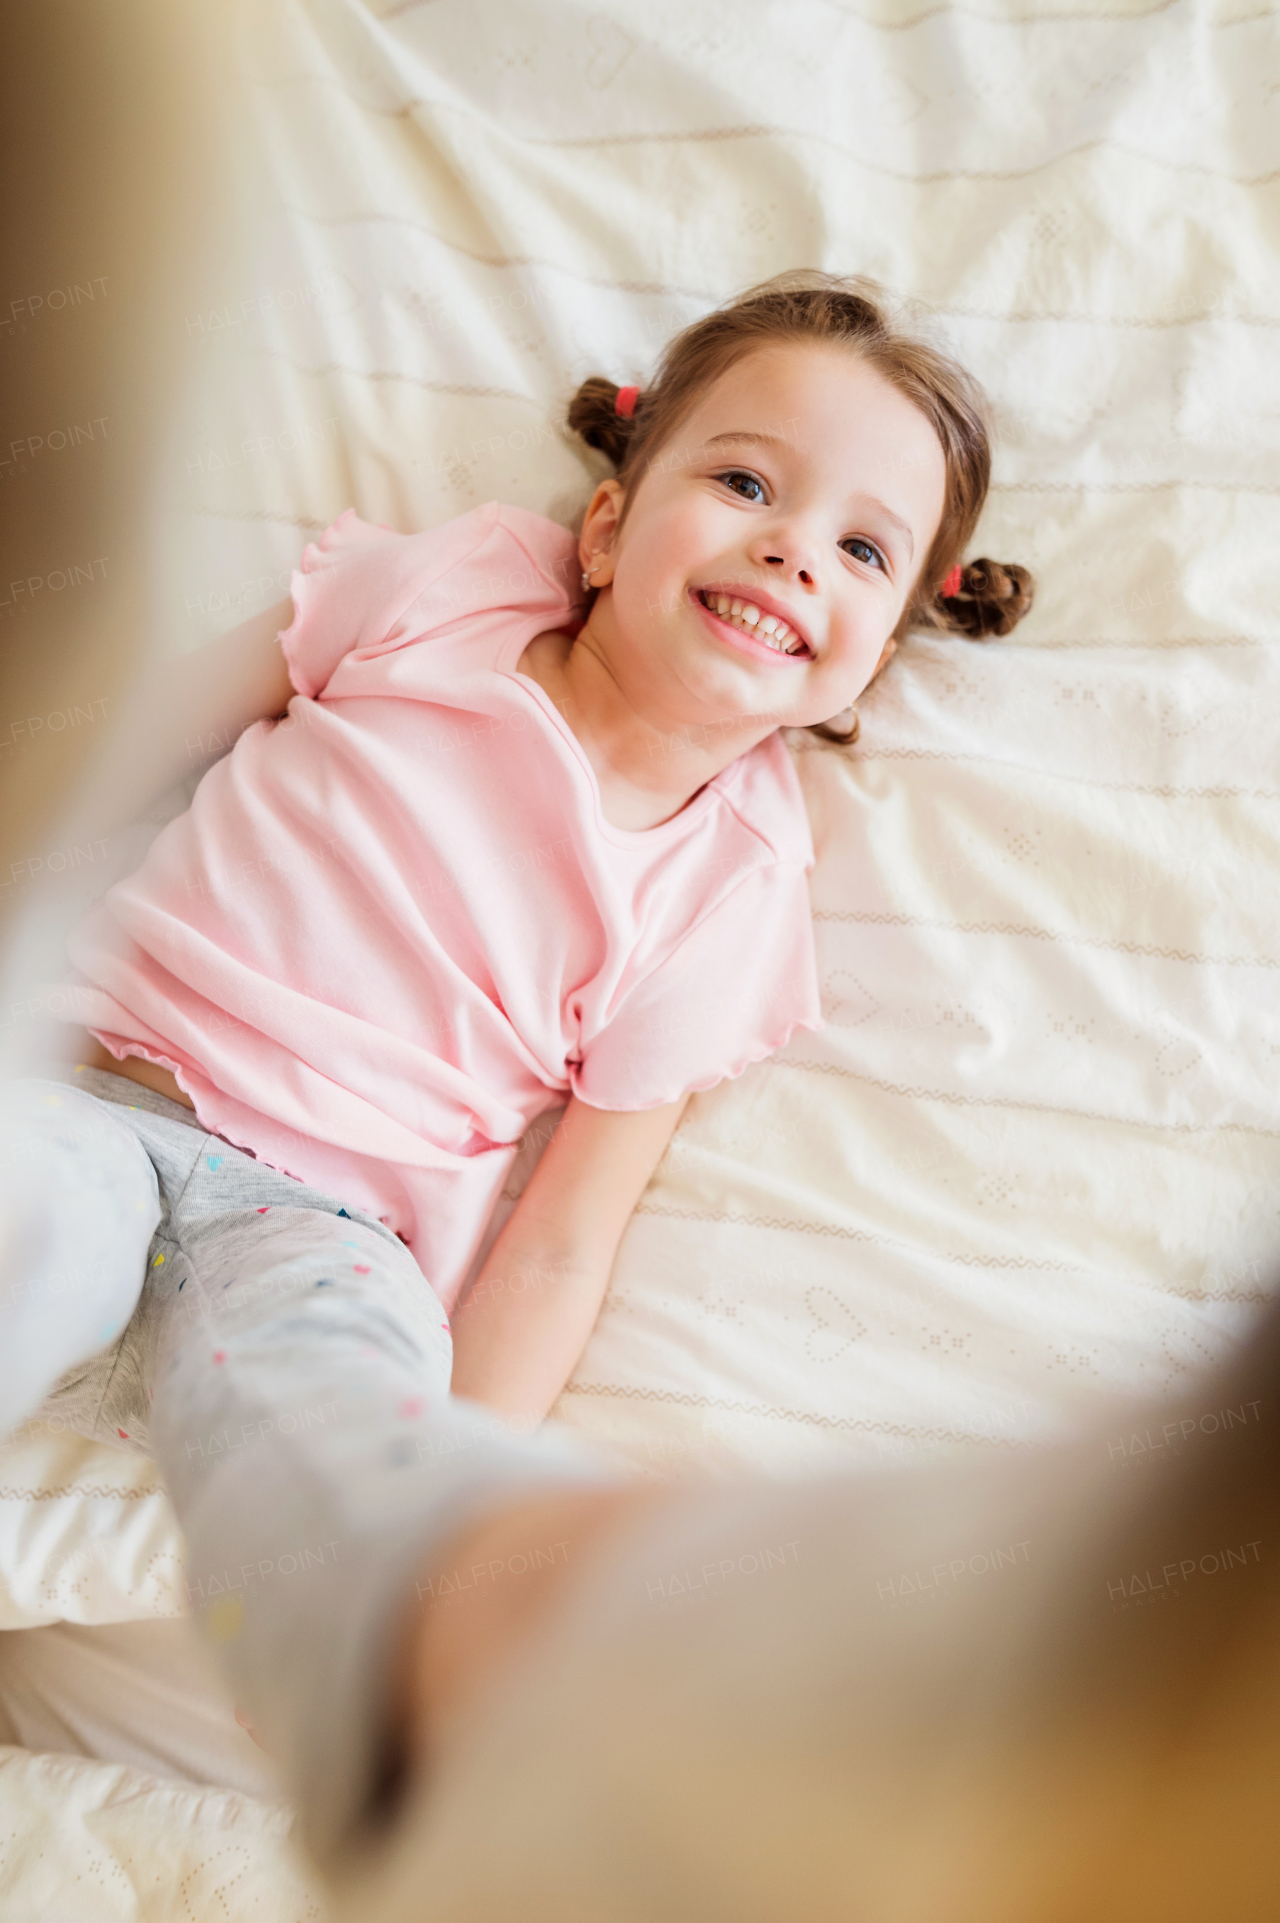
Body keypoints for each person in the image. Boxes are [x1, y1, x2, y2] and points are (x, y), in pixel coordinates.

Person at [0, 272, 1036, 1859]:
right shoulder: (455, 596)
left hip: (320, 1230)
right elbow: (139, 732)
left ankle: (401, 1654)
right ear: (609, 531)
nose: (789, 548)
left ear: (872, 656)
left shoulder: (733, 883)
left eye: (860, 548)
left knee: (338, 1415)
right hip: (102, 1095)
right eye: (747, 483)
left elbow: (562, 1237)